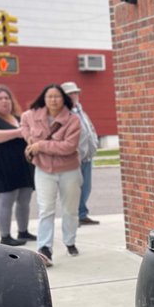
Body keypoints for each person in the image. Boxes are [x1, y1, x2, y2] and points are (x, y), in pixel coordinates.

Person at [20, 83, 82, 267]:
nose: (53, 100)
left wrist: (40, 146)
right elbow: (23, 122)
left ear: (64, 99)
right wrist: (28, 137)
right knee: (46, 209)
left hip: (69, 170)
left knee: (70, 209)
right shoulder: (32, 115)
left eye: (57, 96)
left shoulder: (73, 120)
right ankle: (44, 249)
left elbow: (68, 146)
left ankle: (70, 241)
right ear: (43, 98)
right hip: (43, 169)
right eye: (49, 97)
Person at [0, 85, 37, 246]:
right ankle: (5, 236)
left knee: (24, 199)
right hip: (2, 166)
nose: (4, 101)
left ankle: (23, 231)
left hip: (23, 165)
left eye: (7, 98)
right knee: (6, 200)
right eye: (0, 99)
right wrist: (18, 132)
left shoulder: (18, 118)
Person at [61, 81, 100, 225]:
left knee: (86, 187)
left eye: (75, 92)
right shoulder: (64, 112)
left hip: (87, 156)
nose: (74, 95)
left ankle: (82, 214)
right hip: (73, 158)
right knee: (73, 189)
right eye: (70, 93)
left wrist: (94, 142)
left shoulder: (79, 109)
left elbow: (89, 128)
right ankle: (73, 217)